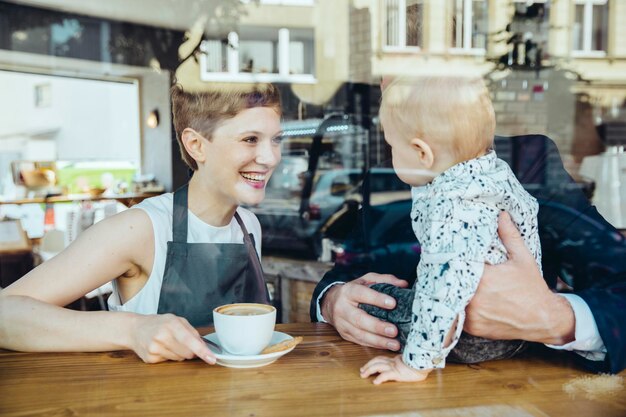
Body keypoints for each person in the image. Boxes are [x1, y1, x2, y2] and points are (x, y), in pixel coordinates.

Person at [311, 112, 626, 377]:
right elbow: (344, 272)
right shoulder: (385, 176)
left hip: (519, 392)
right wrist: (332, 300)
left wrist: (553, 317)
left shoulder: (531, 162)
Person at [0, 83, 283, 365]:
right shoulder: (141, 229)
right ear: (196, 145)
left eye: (276, 140)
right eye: (250, 139)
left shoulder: (248, 226)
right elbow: (5, 313)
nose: (270, 158)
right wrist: (133, 329)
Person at [350, 76, 541, 384]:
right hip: (518, 332)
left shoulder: (452, 205)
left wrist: (414, 364)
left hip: (473, 338)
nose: (390, 155)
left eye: (392, 147)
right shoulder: (496, 175)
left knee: (371, 300)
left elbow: (444, 288)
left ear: (421, 153)